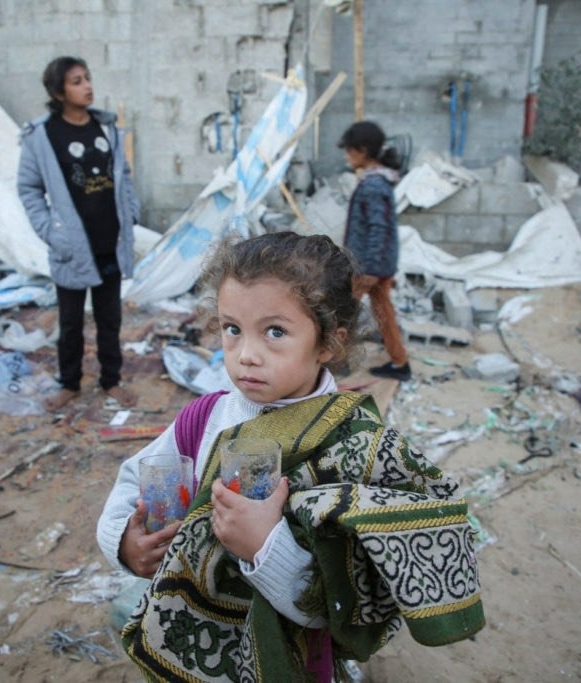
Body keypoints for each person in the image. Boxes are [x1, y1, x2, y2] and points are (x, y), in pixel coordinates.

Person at [96, 231, 484, 681]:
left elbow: (346, 599)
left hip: (293, 657)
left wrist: (265, 547)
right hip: (193, 642)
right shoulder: (203, 418)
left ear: (328, 343)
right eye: (232, 329)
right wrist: (124, 542)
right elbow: (133, 483)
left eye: (275, 332)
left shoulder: (350, 444)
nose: (246, 356)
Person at [17, 56, 139, 409]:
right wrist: (50, 232)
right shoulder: (42, 137)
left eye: (87, 78)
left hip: (110, 242)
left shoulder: (106, 129)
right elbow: (28, 188)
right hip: (71, 247)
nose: (87, 86)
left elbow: (123, 176)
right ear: (58, 91)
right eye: (76, 81)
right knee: (70, 323)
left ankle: (111, 380)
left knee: (109, 320)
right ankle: (69, 383)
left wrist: (130, 212)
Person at [338, 120, 413, 381]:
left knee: (342, 312)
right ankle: (400, 363)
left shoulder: (373, 186)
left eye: (349, 150)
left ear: (363, 151)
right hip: (378, 265)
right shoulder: (378, 181)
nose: (346, 156)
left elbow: (379, 230)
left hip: (367, 267)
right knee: (383, 313)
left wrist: (368, 269)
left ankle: (329, 364)